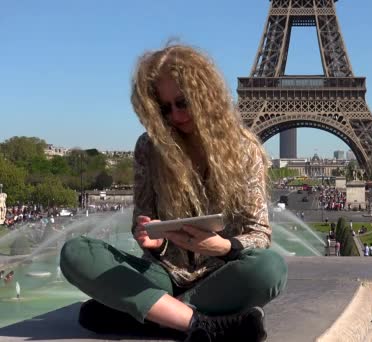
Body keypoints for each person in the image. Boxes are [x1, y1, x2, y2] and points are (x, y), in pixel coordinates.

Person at [59, 44, 287, 342]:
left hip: (220, 277)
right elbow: (143, 220)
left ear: (206, 96)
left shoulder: (245, 151)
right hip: (163, 275)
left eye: (183, 102)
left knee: (269, 269)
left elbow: (260, 235)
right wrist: (155, 245)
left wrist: (221, 247)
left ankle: (151, 314)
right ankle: (199, 323)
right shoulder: (148, 148)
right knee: (75, 252)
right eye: (165, 108)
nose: (176, 115)